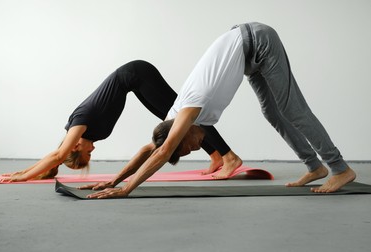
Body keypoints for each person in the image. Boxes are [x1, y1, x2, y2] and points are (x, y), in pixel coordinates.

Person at [87, 22, 356, 199]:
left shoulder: (190, 108)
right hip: (247, 53)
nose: (196, 149)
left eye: (186, 148)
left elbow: (162, 151)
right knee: (273, 113)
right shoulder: (173, 117)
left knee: (291, 108)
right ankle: (314, 167)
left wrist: (126, 191)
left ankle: (339, 168)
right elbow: (150, 148)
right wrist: (114, 181)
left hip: (257, 41)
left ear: (179, 135)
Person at [2, 60, 232, 183]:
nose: (93, 149)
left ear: (75, 146)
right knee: (174, 120)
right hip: (134, 82)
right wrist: (27, 170)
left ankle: (227, 156)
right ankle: (215, 155)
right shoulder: (87, 132)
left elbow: (58, 155)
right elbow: (55, 158)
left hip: (136, 73)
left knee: (186, 115)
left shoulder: (79, 123)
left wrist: (22, 176)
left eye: (87, 153)